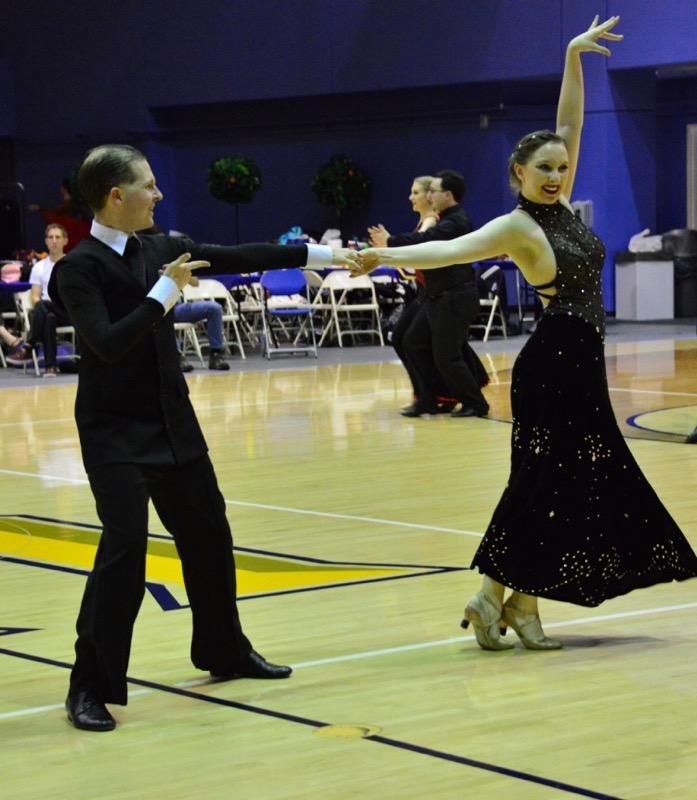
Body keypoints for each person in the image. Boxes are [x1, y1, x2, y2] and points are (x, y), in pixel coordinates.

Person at [357, 17, 697, 651]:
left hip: (581, 360)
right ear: (518, 170)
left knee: (562, 483)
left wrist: (573, 57)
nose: (557, 175)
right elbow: (452, 248)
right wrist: (383, 257)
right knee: (546, 481)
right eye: (544, 167)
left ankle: (515, 603)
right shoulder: (515, 225)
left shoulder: (560, 205)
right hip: (554, 363)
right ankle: (496, 595)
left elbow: (571, 123)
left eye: (563, 168)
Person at [48, 144, 356, 732]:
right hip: (115, 435)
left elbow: (241, 254)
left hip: (174, 424)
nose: (158, 195)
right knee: (124, 557)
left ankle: (223, 649)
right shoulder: (78, 268)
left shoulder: (163, 247)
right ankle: (89, 686)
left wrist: (329, 252)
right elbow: (108, 344)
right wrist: (164, 294)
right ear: (117, 195)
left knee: (210, 538)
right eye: (149, 186)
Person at [370, 170, 488, 418]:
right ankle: (430, 398)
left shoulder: (455, 222)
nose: (429, 196)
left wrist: (390, 242)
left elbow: (426, 241)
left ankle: (475, 403)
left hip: (453, 296)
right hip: (438, 295)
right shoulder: (446, 218)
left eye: (432, 191)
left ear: (448, 195)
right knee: (412, 341)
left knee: (447, 355)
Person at [11, 224, 71, 376]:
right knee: (48, 315)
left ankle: (29, 346)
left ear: (65, 241)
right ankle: (50, 367)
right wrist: (44, 306)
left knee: (45, 306)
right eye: (50, 237)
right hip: (48, 312)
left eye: (58, 237)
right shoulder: (38, 267)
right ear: (46, 241)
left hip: (68, 312)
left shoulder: (73, 264)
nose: (54, 241)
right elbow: (35, 297)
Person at [174, 296, 231, 370]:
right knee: (160, 314)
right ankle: (175, 357)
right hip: (159, 309)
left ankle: (216, 354)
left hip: (177, 307)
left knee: (214, 308)